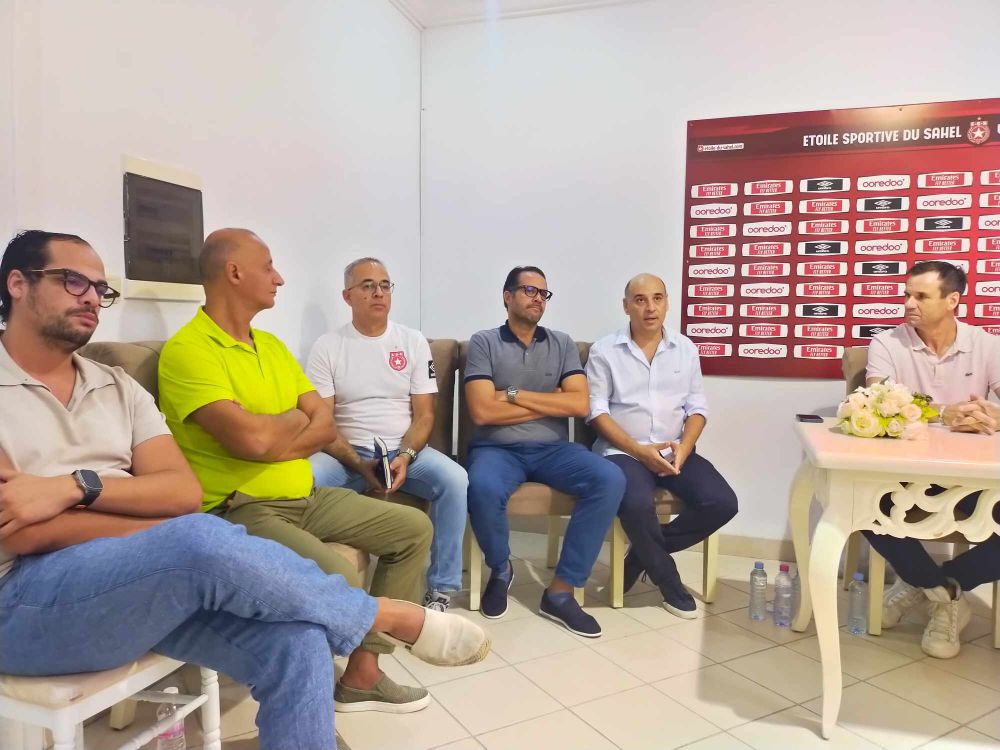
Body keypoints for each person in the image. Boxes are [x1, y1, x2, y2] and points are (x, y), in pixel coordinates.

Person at [0, 230, 489, 750]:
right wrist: (159, 526)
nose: (92, 298)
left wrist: (74, 488)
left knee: (299, 642)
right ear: (18, 284)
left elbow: (181, 494)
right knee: (196, 539)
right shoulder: (189, 352)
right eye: (73, 281)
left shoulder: (117, 385)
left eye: (101, 288)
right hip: (25, 599)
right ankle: (384, 616)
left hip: (145, 577)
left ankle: (359, 675)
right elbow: (22, 533)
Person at [158, 229, 438, 714]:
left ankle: (363, 675)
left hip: (304, 496)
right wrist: (290, 424)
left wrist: (280, 431)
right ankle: (315, 687)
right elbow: (252, 442)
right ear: (234, 272)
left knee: (413, 529)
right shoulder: (189, 351)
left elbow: (323, 424)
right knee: (341, 580)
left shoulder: (271, 345)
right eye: (269, 266)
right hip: (241, 507)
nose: (279, 278)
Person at [464, 265, 625, 637]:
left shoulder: (562, 343)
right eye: (529, 290)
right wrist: (551, 400)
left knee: (609, 478)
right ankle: (501, 569)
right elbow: (482, 411)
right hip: (497, 449)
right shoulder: (484, 342)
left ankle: (561, 592)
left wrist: (512, 394)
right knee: (482, 486)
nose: (538, 298)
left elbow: (579, 404)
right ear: (507, 297)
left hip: (553, 450)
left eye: (543, 293)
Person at [308, 257, 467, 612]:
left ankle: (441, 588)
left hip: (404, 450)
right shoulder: (328, 346)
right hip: (345, 455)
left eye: (384, 285)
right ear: (347, 296)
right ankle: (316, 587)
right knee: (304, 480)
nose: (378, 293)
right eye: (367, 286)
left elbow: (425, 415)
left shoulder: (412, 341)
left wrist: (406, 456)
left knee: (455, 480)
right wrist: (356, 461)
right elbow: (322, 422)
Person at [863, 260, 1000, 659]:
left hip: (973, 478)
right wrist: (944, 413)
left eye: (921, 296)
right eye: (907, 294)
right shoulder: (887, 343)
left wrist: (994, 416)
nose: (909, 303)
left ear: (952, 300)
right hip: (905, 476)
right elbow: (877, 402)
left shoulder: (987, 345)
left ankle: (935, 585)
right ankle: (942, 595)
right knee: (864, 506)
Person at [586, 273, 737, 617]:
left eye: (657, 298)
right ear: (626, 306)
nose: (650, 308)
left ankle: (641, 555)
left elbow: (697, 409)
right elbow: (596, 413)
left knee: (722, 502)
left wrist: (685, 446)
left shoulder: (685, 348)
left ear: (667, 303)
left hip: (674, 449)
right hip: (624, 452)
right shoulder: (604, 351)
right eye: (640, 300)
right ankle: (668, 581)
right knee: (636, 504)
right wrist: (639, 451)